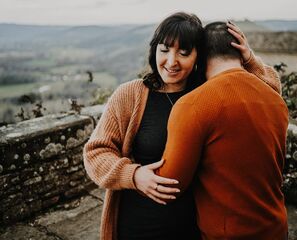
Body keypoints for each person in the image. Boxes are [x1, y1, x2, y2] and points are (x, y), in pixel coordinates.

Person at [83, 12, 281, 240]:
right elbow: (95, 152)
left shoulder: (208, 94)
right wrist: (133, 175)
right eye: (164, 50)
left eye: (184, 53)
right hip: (139, 225)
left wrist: (248, 59)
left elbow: (271, 93)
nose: (171, 62)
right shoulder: (131, 94)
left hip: (193, 227)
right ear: (154, 50)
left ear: (199, 56)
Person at [157, 21, 289, 240]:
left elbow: (172, 184)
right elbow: (272, 83)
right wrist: (251, 59)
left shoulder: (193, 104)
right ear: (240, 53)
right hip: (276, 227)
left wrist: (133, 172)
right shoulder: (275, 99)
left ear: (200, 58)